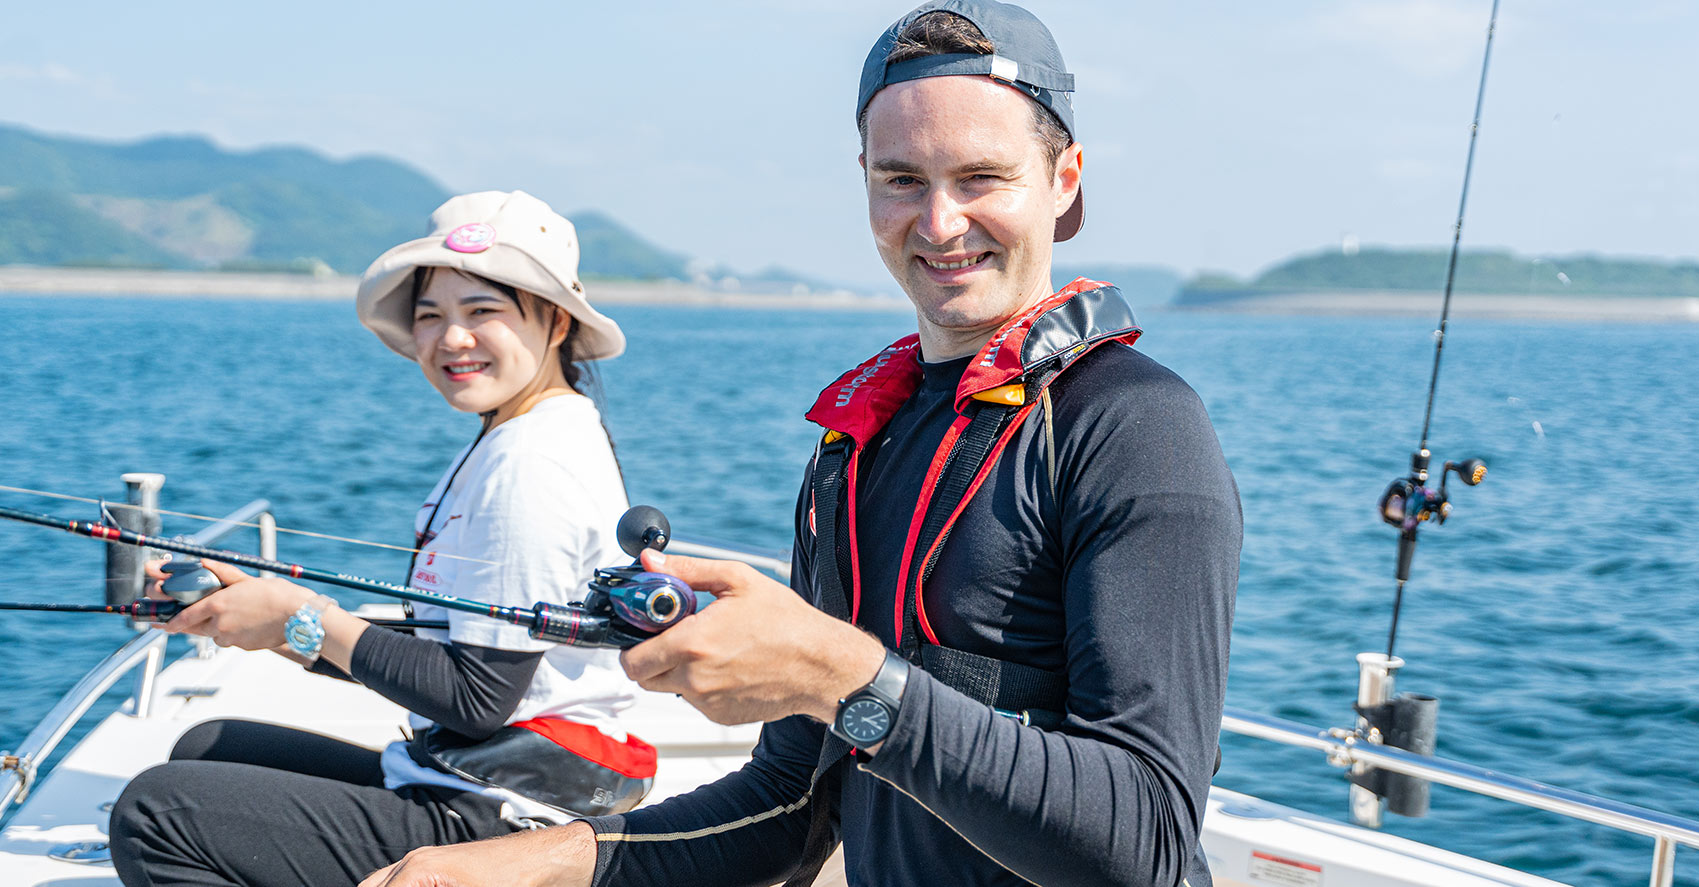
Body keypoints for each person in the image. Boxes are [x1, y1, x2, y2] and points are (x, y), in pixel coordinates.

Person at [363, 3, 1240, 885]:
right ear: (863, 178)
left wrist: (844, 676)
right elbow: (790, 799)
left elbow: (1150, 841)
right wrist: (523, 863)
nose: (937, 223)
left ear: (1065, 180)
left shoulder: (1135, 428)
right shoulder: (856, 444)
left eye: (981, 177)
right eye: (902, 179)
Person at [109, 190, 657, 887]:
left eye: (481, 311)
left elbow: (478, 697)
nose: (451, 338)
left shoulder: (531, 462)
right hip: (481, 778)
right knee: (203, 748)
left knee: (155, 811)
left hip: (501, 819)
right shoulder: (519, 433)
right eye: (431, 316)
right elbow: (452, 651)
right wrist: (277, 628)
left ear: (552, 321)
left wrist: (299, 616)